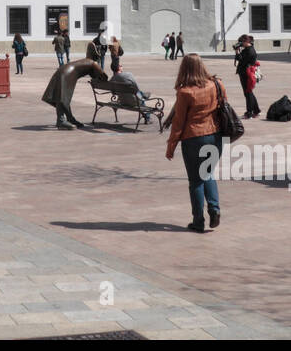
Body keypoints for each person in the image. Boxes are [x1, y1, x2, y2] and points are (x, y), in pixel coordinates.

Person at [164, 53, 223, 233]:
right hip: (215, 135)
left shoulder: (185, 92)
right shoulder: (216, 84)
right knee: (208, 174)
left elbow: (179, 121)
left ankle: (198, 221)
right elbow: (223, 105)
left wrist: (171, 145)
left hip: (193, 138)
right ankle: (214, 209)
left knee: (196, 181)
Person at [41, 57, 106, 129]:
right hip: (68, 73)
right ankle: (61, 120)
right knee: (63, 97)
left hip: (64, 70)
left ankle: (70, 118)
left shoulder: (86, 60)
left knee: (62, 97)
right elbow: (104, 76)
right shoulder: (93, 63)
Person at [111, 61, 155, 125]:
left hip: (122, 101)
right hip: (133, 101)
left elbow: (113, 93)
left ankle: (144, 95)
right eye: (120, 65)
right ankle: (147, 118)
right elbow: (136, 88)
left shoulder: (112, 79)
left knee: (139, 94)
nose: (122, 66)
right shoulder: (128, 74)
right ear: (119, 68)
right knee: (141, 97)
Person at [233, 34, 263, 119]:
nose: (240, 44)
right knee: (249, 92)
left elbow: (241, 60)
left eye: (241, 42)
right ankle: (256, 111)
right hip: (246, 73)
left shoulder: (249, 51)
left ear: (246, 42)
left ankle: (249, 113)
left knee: (248, 93)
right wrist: (238, 51)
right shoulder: (248, 49)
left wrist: (237, 52)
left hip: (246, 74)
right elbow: (240, 59)